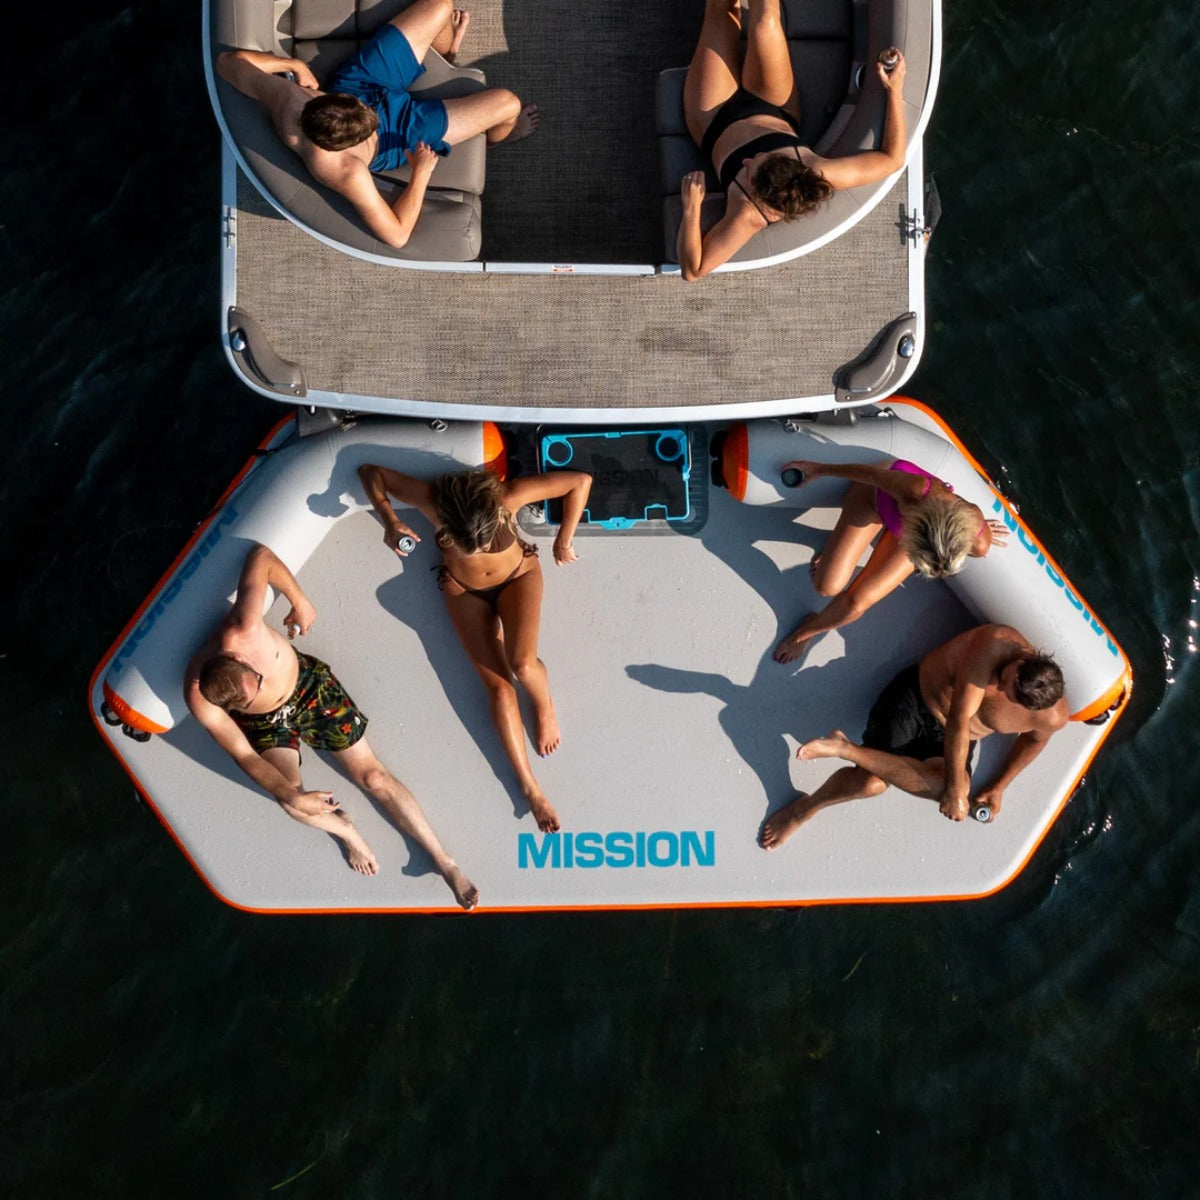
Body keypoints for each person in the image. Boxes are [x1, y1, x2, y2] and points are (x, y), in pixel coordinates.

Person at [185, 542, 478, 909]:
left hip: (308, 688)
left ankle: (446, 863)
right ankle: (347, 830)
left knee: (373, 777)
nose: (262, 683)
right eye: (250, 694)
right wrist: (293, 794)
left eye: (256, 678)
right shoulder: (200, 699)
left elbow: (260, 557)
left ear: (237, 657)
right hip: (266, 723)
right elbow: (245, 755)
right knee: (290, 803)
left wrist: (299, 599)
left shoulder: (242, 629)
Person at [358, 463, 592, 833]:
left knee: (522, 664)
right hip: (463, 590)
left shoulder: (508, 497)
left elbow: (580, 482)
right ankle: (530, 788)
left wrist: (564, 540)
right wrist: (390, 520)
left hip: (516, 577)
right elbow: (372, 473)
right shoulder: (433, 503)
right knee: (499, 690)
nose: (478, 549)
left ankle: (544, 704)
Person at [216, 0, 540, 249]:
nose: (368, 110)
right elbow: (397, 235)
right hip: (396, 137)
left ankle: (444, 57)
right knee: (508, 105)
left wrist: (293, 64)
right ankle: (495, 139)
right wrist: (421, 173)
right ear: (346, 144)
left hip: (360, 84)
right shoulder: (348, 173)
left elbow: (227, 63)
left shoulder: (288, 98)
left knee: (440, 5)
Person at [759, 623, 1069, 848]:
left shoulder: (1052, 718)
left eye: (1006, 692)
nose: (998, 685)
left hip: (952, 739)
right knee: (870, 784)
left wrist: (1000, 786)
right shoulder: (995, 645)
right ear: (1025, 660)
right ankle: (805, 808)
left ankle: (844, 748)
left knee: (948, 787)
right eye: (1005, 678)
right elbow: (959, 721)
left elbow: (1035, 740)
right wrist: (956, 792)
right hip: (915, 701)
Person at [677, 0, 908, 281]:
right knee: (766, 23)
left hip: (715, 119)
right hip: (772, 106)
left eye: (747, 169)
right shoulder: (817, 169)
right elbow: (892, 159)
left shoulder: (747, 214)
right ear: (791, 162)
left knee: (721, 10)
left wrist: (692, 207)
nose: (747, 160)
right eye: (759, 159)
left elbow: (693, 270)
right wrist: (894, 91)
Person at [773, 458, 1008, 665]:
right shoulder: (916, 490)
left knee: (856, 604)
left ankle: (804, 633)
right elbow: (870, 474)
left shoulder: (979, 544)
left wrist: (968, 529)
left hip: (921, 531)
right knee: (827, 586)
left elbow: (965, 532)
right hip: (874, 499)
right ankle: (838, 545)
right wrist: (820, 469)